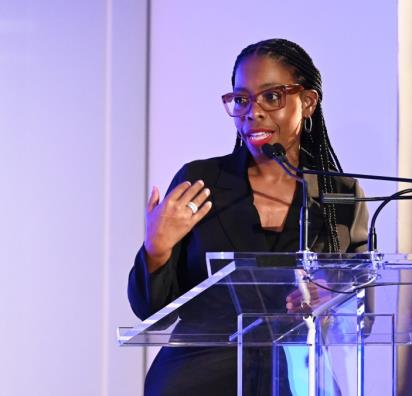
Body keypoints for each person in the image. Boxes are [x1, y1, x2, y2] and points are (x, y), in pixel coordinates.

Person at [128, 38, 369, 396]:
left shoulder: (338, 196)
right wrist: (156, 250)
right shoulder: (202, 183)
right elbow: (151, 312)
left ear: (308, 102)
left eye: (272, 96)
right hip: (197, 380)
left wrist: (334, 294)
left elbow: (361, 312)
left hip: (297, 381)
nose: (253, 111)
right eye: (241, 99)